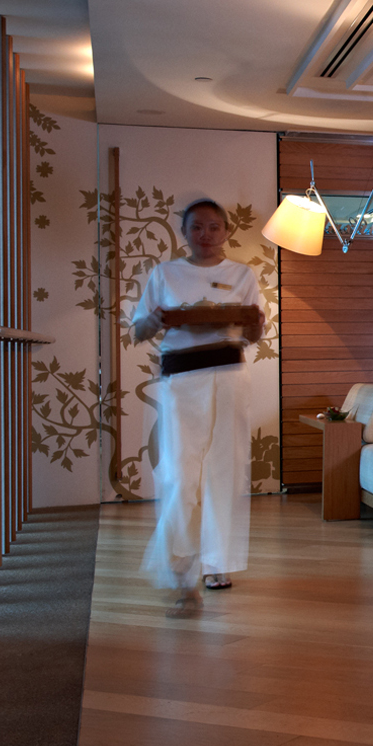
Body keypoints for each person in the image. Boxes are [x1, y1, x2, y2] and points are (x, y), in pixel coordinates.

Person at [131, 197, 266, 614]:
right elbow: (139, 330)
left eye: (213, 227)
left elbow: (252, 335)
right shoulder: (165, 273)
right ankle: (181, 566)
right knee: (180, 473)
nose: (205, 235)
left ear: (226, 231)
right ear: (184, 232)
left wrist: (255, 324)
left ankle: (217, 562)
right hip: (181, 379)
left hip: (228, 376)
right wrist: (156, 319)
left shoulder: (241, 274)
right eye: (196, 227)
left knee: (225, 469)